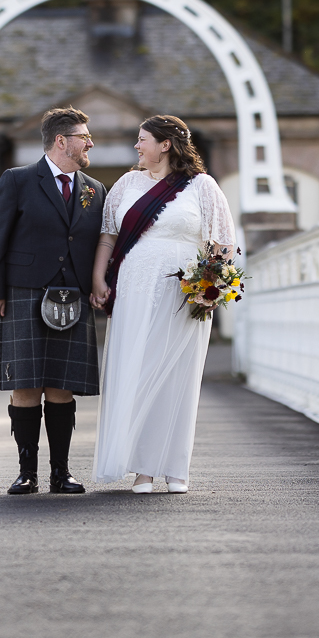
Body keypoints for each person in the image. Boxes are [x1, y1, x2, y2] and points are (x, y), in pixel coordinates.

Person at [89, 115, 236, 494]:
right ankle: (142, 469)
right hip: (134, 289)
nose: (137, 147)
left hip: (182, 294)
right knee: (136, 371)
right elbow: (108, 236)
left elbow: (221, 244)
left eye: (142, 140)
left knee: (177, 376)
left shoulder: (202, 187)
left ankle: (174, 467)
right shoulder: (126, 184)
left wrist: (212, 286)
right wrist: (98, 278)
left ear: (165, 144)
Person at [0, 107, 108, 494]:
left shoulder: (94, 189)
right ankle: (26, 472)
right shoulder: (17, 180)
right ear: (61, 141)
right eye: (84, 136)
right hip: (24, 291)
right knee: (26, 385)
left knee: (61, 385)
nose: (90, 143)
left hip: (72, 295)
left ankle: (61, 472)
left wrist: (97, 284)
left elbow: (94, 243)